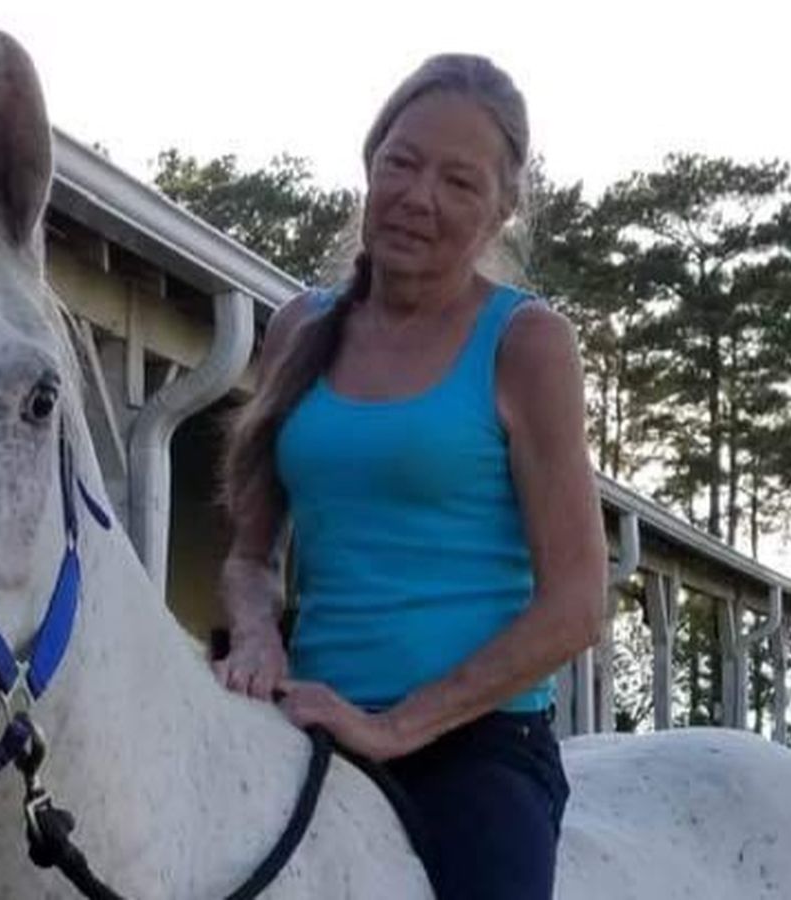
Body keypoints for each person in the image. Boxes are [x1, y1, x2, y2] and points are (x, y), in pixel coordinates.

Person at [214, 53, 608, 900]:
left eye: (459, 182)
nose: (418, 197)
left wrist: (396, 727)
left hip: (476, 750)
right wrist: (255, 636)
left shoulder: (528, 344)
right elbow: (250, 558)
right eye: (402, 162)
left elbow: (577, 605)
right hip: (305, 723)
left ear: (501, 210)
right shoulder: (298, 327)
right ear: (370, 164)